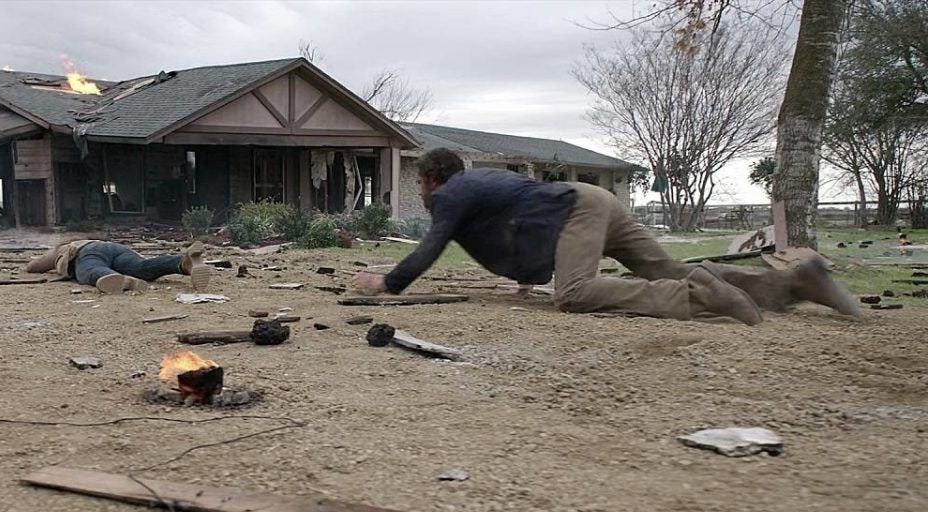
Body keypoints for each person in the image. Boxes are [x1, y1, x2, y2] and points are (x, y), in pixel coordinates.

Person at [352, 148, 861, 324]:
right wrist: (524, 273)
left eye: (418, 182)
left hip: (579, 211)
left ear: (429, 179)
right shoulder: (480, 187)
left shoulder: (451, 194)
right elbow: (510, 228)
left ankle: (696, 295)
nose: (420, 192)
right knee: (662, 266)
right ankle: (796, 285)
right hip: (596, 201)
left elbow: (432, 245)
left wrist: (388, 282)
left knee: (573, 295)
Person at [26, 239, 210, 294]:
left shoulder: (66, 246)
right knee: (142, 266)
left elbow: (35, 266)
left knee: (90, 270)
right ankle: (183, 263)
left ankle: (123, 281)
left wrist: (36, 261)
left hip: (89, 252)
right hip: (117, 249)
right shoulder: (96, 239)